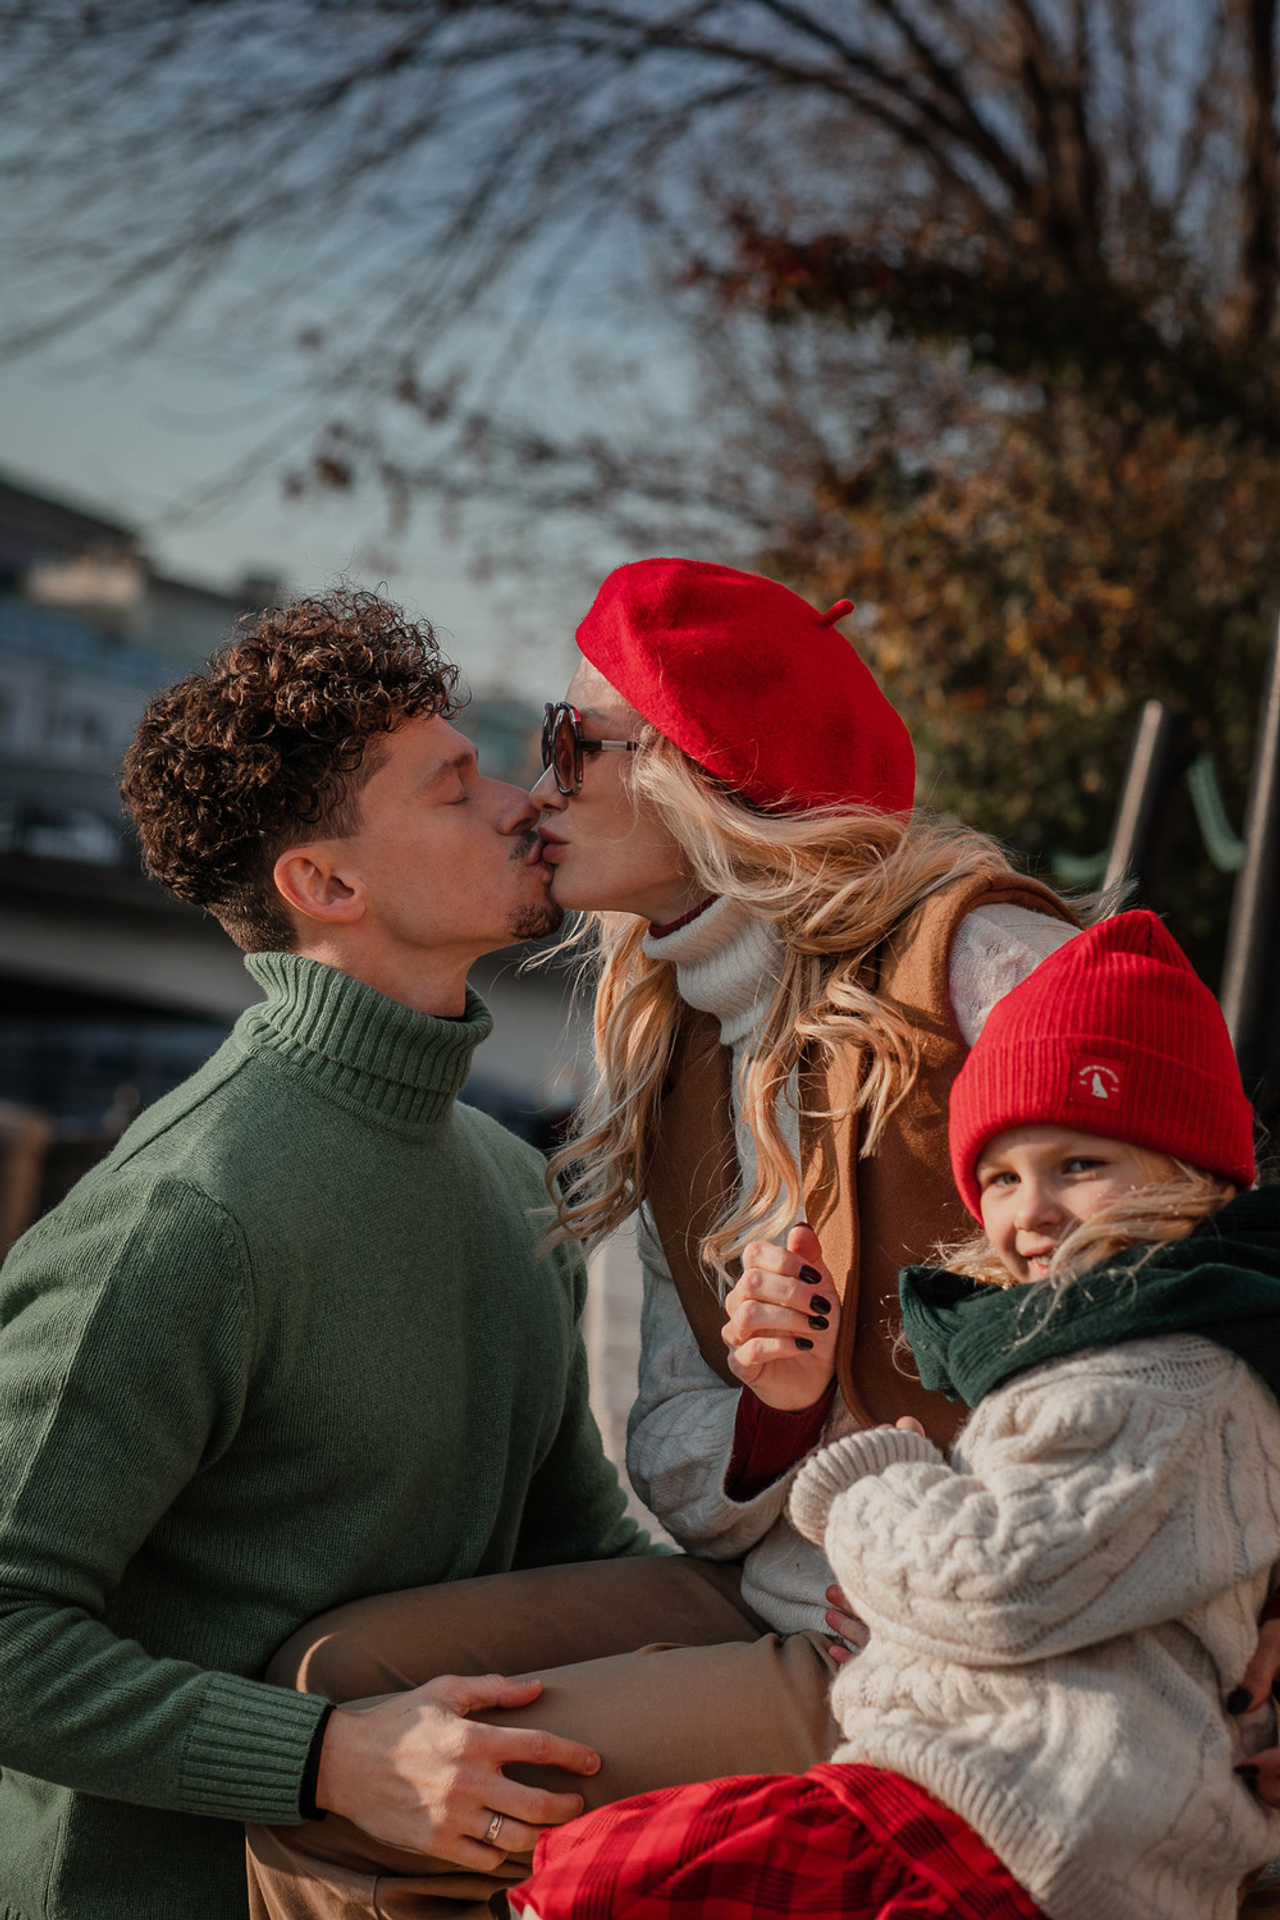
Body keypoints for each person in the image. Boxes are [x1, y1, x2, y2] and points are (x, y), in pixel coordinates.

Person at [247, 559, 1085, 1916]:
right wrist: (775, 1412)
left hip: (955, 1656)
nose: (542, 787)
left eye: (578, 741)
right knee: (326, 1694)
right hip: (776, 1594)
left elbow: (1199, 1271)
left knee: (404, 1794)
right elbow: (676, 1472)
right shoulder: (662, 1048)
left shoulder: (979, 966)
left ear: (713, 774)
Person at [0, 588, 666, 1920]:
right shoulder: (184, 1217)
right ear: (327, 884)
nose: (519, 804)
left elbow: (570, 1550)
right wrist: (322, 1759)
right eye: (452, 786)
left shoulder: (503, 1180)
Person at [510, 910, 1280, 1920]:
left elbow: (994, 1582)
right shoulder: (1104, 1350)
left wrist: (868, 1480)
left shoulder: (1153, 1372)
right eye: (999, 1177)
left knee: (604, 1883)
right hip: (999, 1784)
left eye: (1079, 1166)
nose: (1029, 1210)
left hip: (1024, 1813)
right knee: (603, 1873)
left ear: (1189, 1178)